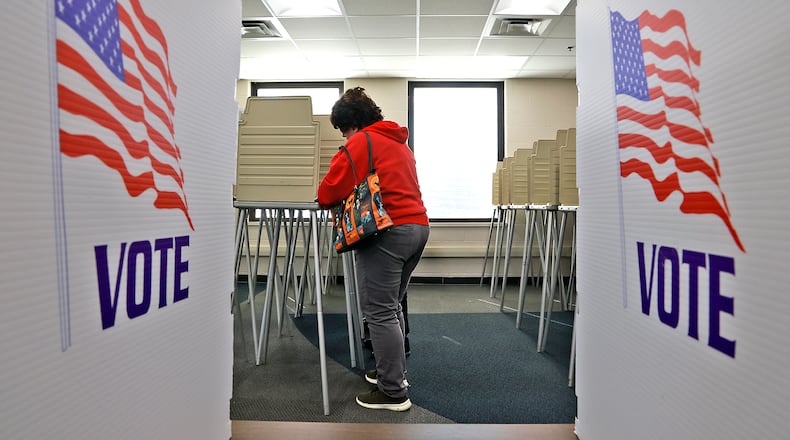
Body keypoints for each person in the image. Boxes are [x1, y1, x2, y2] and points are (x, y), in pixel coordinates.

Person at [317, 87, 429, 412]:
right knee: (391, 306)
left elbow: (328, 191)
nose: (344, 136)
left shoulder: (362, 141)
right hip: (417, 228)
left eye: (343, 129)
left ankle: (393, 392)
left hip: (388, 233)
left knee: (378, 311)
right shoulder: (397, 142)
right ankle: (392, 373)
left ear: (352, 124)